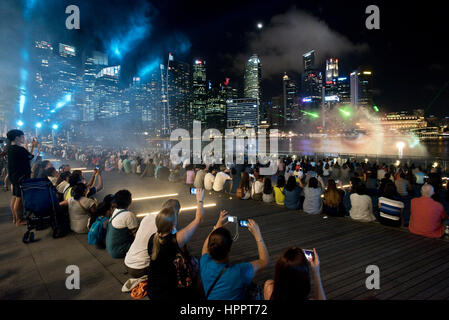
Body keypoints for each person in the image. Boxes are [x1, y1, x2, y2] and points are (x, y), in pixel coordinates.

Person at [147, 188, 205, 300]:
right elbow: (199, 218)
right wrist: (200, 200)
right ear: (173, 223)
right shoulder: (175, 240)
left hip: (153, 289)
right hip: (168, 294)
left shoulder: (152, 238)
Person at [200, 212, 269, 300]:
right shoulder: (239, 272)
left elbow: (205, 248)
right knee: (267, 285)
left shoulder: (204, 262)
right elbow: (264, 261)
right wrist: (258, 235)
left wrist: (217, 226)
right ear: (230, 248)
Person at [125, 199, 180, 278]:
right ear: (175, 214)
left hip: (128, 262)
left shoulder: (148, 217)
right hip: (140, 269)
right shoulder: (169, 228)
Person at [7, 130, 38, 226]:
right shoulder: (19, 149)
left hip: (14, 176)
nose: (24, 138)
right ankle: (19, 220)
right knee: (19, 198)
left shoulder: (11, 148)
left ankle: (15, 218)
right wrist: (33, 146)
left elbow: (27, 156)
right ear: (17, 137)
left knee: (15, 197)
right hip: (21, 177)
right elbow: (31, 156)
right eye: (22, 137)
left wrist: (30, 146)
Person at [106, 190, 138, 259]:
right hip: (118, 251)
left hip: (110, 248)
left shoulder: (115, 211)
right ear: (129, 201)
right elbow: (136, 235)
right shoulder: (128, 215)